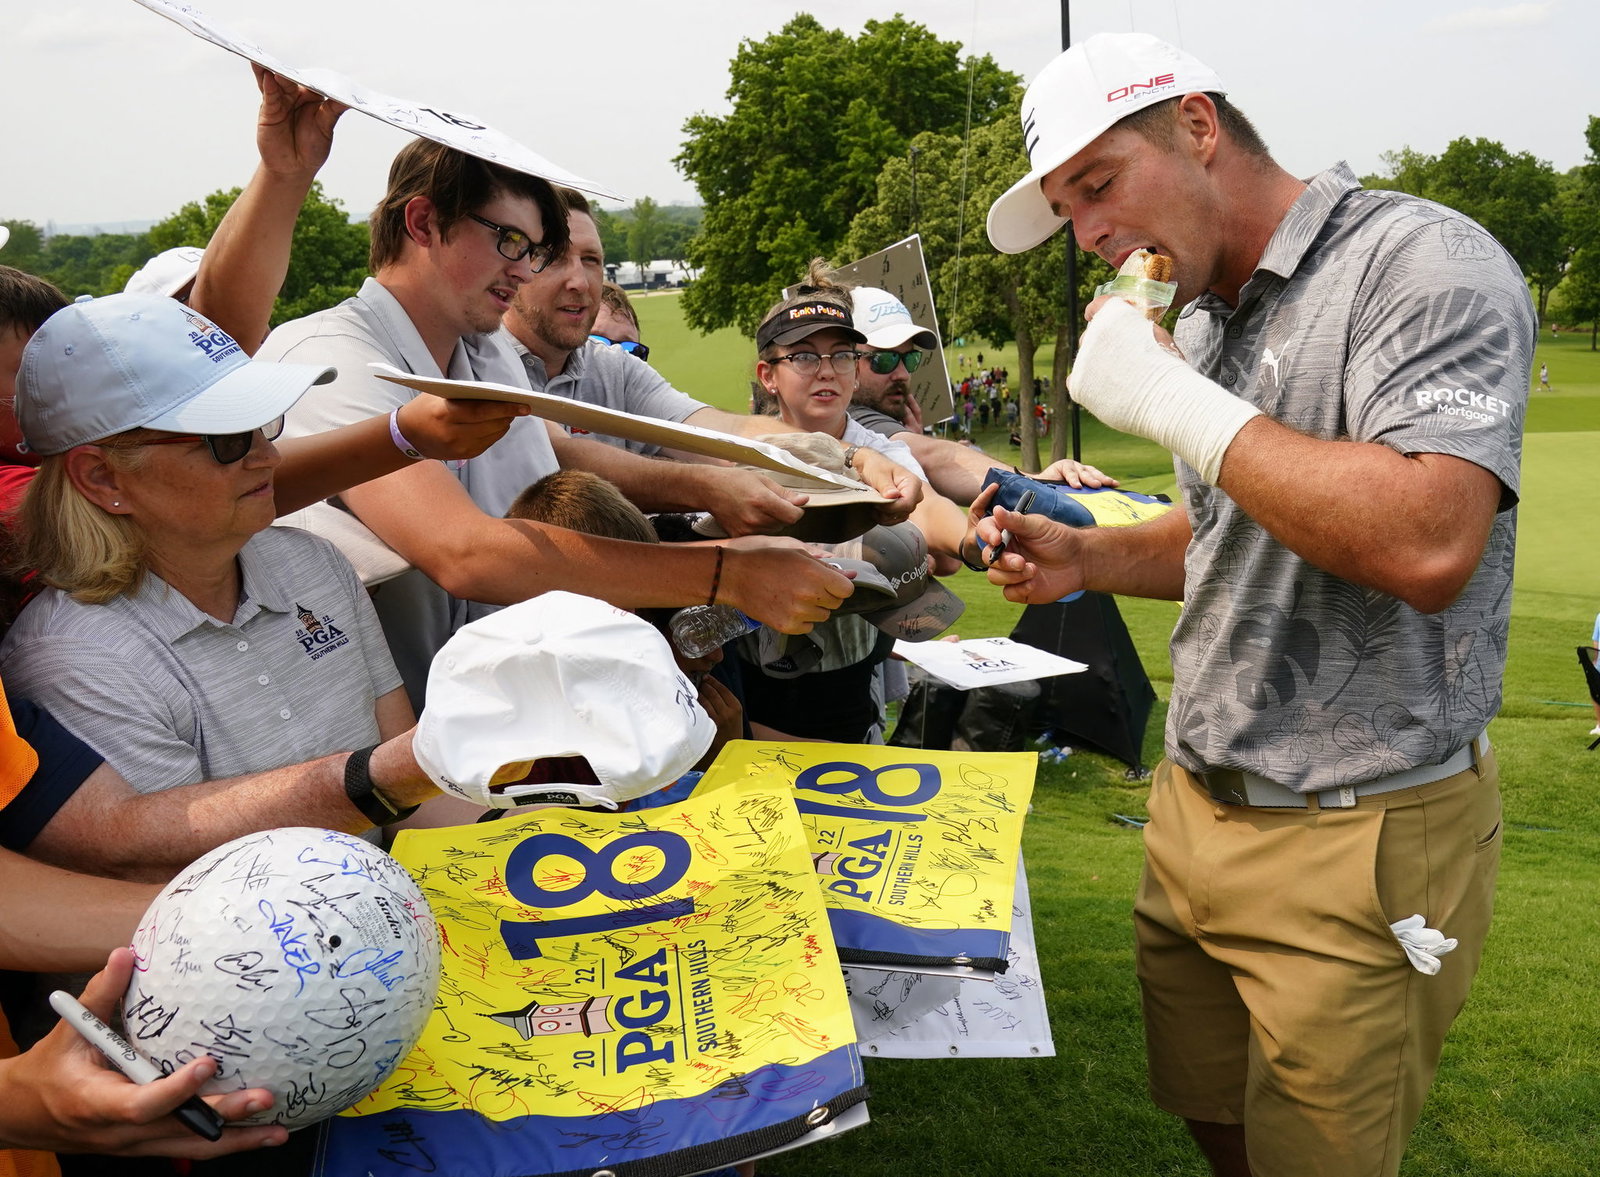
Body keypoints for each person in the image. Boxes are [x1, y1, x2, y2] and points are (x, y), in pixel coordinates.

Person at [981, 32, 1531, 1177]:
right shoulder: (1194, 316)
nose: (1087, 232)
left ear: (1195, 126)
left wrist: (1174, 403)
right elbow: (1241, 531)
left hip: (1359, 821)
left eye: (1098, 183)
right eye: (1066, 209)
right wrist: (1085, 561)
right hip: (1195, 805)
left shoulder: (1422, 261)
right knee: (1212, 1110)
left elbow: (1430, 540)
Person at [259, 139, 857, 705]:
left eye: (532, 249)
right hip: (394, 760)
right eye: (510, 240)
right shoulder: (326, 357)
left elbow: (548, 485)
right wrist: (729, 574)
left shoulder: (484, 353)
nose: (523, 270)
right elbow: (464, 553)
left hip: (511, 735)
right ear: (422, 223)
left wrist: (838, 465)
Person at [0, 295, 460, 881]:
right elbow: (196, 886)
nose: (268, 457)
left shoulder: (314, 565)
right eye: (226, 439)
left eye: (264, 424)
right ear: (101, 476)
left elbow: (414, 807)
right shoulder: (75, 659)